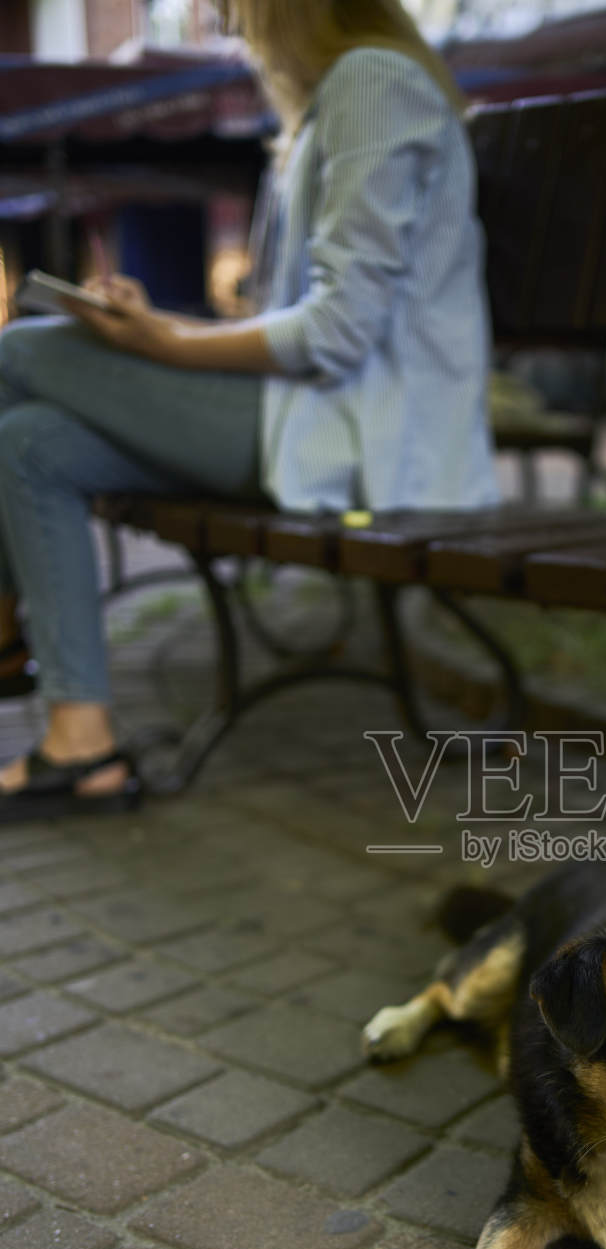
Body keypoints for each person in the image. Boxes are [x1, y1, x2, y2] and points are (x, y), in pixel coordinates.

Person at [0, 0, 498, 821]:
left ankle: (7, 629)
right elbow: (295, 319)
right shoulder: (331, 101)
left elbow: (339, 330)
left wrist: (163, 345)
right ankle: (78, 741)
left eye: (226, 3)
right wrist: (155, 329)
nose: (222, 20)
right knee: (29, 441)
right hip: (310, 416)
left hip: (365, 438)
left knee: (19, 353)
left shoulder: (372, 84)